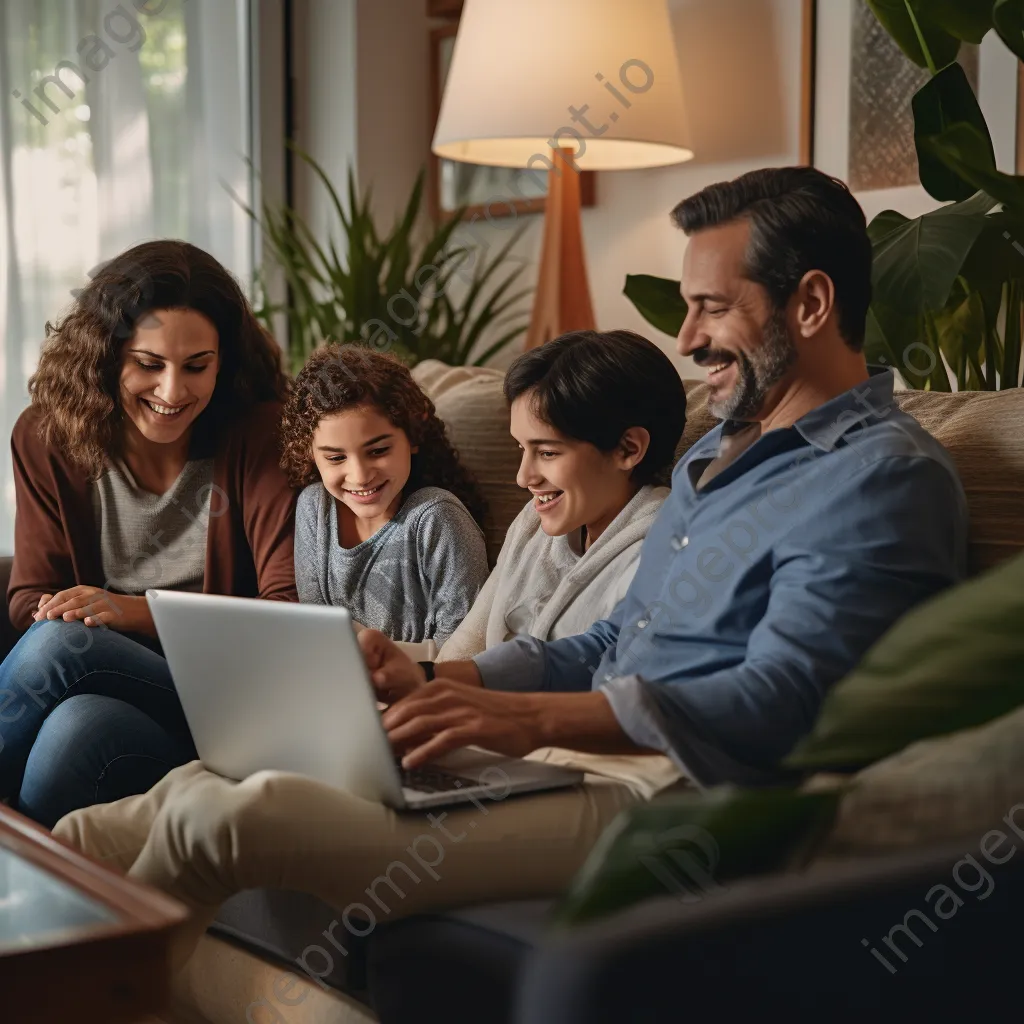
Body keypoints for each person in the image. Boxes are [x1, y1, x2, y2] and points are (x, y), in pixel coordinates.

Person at [54, 167, 968, 961]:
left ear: (810, 304)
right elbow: (616, 639)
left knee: (219, 821)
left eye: (712, 308)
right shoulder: (715, 452)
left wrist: (524, 716)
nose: (685, 338)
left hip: (668, 794)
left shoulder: (879, 479)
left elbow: (791, 701)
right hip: (581, 755)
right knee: (151, 801)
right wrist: (436, 673)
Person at [3, 240, 296, 825]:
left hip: (229, 702)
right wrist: (74, 611)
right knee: (76, 727)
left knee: (63, 644)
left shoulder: (261, 436)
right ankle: (42, 910)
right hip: (108, 700)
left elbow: (283, 611)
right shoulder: (47, 437)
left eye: (197, 366)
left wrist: (129, 612)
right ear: (106, 355)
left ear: (224, 361)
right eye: (148, 363)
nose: (172, 392)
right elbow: (26, 596)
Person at [438, 328, 684, 661]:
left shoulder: (660, 557)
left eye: (548, 453)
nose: (523, 478)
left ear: (628, 449)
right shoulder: (532, 521)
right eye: (522, 448)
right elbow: (467, 644)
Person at [283, 343, 488, 647]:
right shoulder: (314, 508)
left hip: (429, 689)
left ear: (414, 435)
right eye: (336, 458)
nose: (360, 476)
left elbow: (465, 650)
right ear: (310, 454)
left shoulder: (438, 519)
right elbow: (318, 632)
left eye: (378, 451)